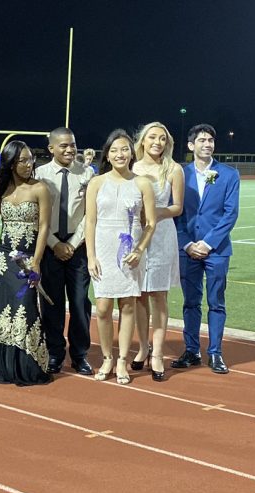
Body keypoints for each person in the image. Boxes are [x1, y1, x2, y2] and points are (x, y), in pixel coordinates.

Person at [0, 141, 52, 385]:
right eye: (22, 161)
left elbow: (45, 227)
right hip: (4, 260)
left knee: (26, 308)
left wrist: (36, 262)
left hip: (28, 260)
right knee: (1, 307)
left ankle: (25, 366)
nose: (28, 165)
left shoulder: (40, 188)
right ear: (10, 164)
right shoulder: (2, 187)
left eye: (30, 160)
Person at [85, 130, 156, 385]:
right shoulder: (96, 182)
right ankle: (107, 357)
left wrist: (139, 250)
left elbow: (150, 223)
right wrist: (91, 256)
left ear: (132, 153)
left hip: (130, 253)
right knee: (103, 307)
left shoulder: (142, 183)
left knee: (127, 305)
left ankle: (123, 360)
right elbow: (90, 221)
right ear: (107, 154)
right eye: (114, 150)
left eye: (124, 149)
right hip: (103, 249)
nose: (120, 154)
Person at [172, 124, 239, 374]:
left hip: (217, 250)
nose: (207, 144)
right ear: (191, 145)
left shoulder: (229, 174)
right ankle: (191, 351)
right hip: (187, 249)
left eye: (210, 140)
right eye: (202, 140)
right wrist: (188, 243)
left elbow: (230, 213)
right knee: (190, 303)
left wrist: (208, 243)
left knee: (216, 303)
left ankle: (215, 353)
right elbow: (174, 213)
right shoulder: (179, 173)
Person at [35, 127, 94, 375]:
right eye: (64, 146)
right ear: (51, 148)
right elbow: (37, 215)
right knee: (52, 304)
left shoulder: (87, 173)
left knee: (80, 303)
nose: (70, 150)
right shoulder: (39, 174)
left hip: (77, 246)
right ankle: (55, 353)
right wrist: (53, 243)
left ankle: (80, 355)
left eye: (73, 145)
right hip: (50, 247)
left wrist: (73, 243)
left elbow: (90, 214)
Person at [131, 122, 184, 381]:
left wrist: (154, 213)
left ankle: (158, 354)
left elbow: (177, 208)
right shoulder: (132, 166)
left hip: (162, 235)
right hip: (135, 235)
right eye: (152, 137)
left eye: (163, 138)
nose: (157, 142)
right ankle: (142, 348)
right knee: (139, 294)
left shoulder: (174, 169)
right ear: (142, 140)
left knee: (159, 295)